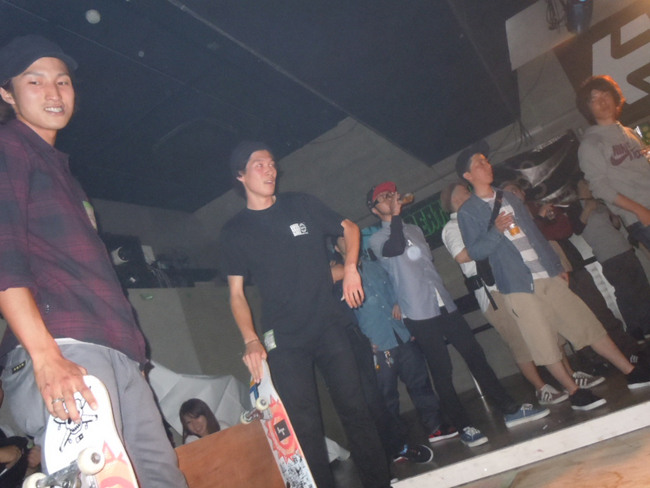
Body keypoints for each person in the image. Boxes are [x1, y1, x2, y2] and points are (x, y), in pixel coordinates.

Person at [0, 35, 187, 487]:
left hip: (116, 353)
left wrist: (134, 357)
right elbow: (4, 256)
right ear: (7, 93)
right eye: (35, 80)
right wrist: (46, 356)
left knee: (163, 478)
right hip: (65, 346)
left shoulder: (61, 171)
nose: (53, 92)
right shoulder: (8, 147)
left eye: (62, 81)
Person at [219, 141, 391, 488]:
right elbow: (236, 294)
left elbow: (350, 229)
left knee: (355, 409)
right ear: (240, 176)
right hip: (284, 340)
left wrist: (351, 268)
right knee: (304, 425)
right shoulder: (235, 231)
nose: (270, 170)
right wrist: (251, 340)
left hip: (329, 326)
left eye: (272, 163)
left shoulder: (301, 204)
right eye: (259, 165)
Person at [456, 141, 650, 413]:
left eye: (486, 160)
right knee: (542, 341)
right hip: (517, 285)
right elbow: (476, 251)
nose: (486, 165)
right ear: (467, 175)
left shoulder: (509, 197)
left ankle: (630, 371)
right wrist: (496, 231)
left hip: (546, 274)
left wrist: (555, 265)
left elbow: (535, 234)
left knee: (585, 323)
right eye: (479, 163)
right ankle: (574, 392)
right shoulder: (468, 211)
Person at [366, 181, 549, 448]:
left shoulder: (414, 229)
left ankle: (509, 409)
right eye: (383, 197)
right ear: (374, 210)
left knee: (475, 355)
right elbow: (395, 250)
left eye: (391, 194)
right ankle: (464, 426)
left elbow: (424, 266)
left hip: (443, 303)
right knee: (442, 369)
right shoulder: (377, 239)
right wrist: (394, 215)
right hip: (418, 311)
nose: (390, 197)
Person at [440, 180, 568, 405]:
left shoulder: (478, 216)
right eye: (465, 192)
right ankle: (541, 388)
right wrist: (491, 238)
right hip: (492, 291)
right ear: (455, 200)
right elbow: (461, 256)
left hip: (513, 280)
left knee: (546, 328)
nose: (471, 194)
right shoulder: (452, 227)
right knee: (518, 340)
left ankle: (569, 376)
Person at [331, 236, 454, 458]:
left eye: (349, 236)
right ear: (336, 247)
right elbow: (340, 316)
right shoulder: (336, 278)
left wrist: (400, 304)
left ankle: (435, 426)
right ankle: (397, 446)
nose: (347, 240)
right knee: (386, 399)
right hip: (375, 344)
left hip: (400, 334)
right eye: (342, 238)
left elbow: (399, 289)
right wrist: (360, 343)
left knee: (421, 384)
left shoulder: (376, 266)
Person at [576, 75, 650, 251]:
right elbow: (600, 188)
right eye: (594, 99)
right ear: (588, 108)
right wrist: (640, 210)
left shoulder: (629, 132)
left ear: (615, 97)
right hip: (640, 215)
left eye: (605, 95)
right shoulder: (590, 143)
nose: (602, 102)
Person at [575, 179, 650, 343]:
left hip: (624, 248)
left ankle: (647, 328)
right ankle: (635, 331)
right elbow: (577, 229)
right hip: (607, 255)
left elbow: (614, 225)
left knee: (642, 288)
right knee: (625, 292)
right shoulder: (574, 207)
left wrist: (614, 216)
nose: (588, 184)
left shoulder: (600, 202)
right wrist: (587, 209)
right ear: (578, 185)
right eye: (584, 182)